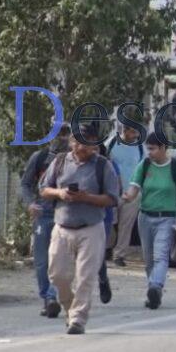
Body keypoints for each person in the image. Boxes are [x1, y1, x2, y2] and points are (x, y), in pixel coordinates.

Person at [39, 124, 120, 335]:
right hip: (62, 227)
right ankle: (70, 308)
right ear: (73, 143)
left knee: (85, 277)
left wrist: (87, 198)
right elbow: (44, 190)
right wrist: (60, 193)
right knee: (57, 276)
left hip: (91, 229)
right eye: (82, 142)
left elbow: (112, 198)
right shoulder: (58, 162)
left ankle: (78, 319)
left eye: (91, 143)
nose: (87, 147)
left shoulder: (104, 166)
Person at [121, 134, 176, 309]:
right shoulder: (144, 165)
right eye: (148, 148)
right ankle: (153, 292)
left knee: (161, 255)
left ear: (164, 148)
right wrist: (125, 198)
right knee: (148, 259)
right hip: (145, 217)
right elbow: (133, 190)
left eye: (153, 149)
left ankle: (156, 286)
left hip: (168, 218)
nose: (150, 152)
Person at [20, 121, 72, 319]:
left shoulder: (74, 160)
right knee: (42, 261)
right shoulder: (39, 158)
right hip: (43, 215)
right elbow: (25, 185)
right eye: (58, 133)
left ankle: (53, 296)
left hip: (66, 215)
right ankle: (47, 298)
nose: (62, 137)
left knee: (61, 260)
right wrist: (30, 204)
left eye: (65, 133)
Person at [110, 124, 145, 267]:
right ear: (125, 131)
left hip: (133, 192)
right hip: (112, 192)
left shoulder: (140, 147)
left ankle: (119, 254)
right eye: (133, 132)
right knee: (109, 222)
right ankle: (105, 248)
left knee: (126, 225)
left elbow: (144, 168)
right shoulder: (112, 143)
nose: (136, 135)